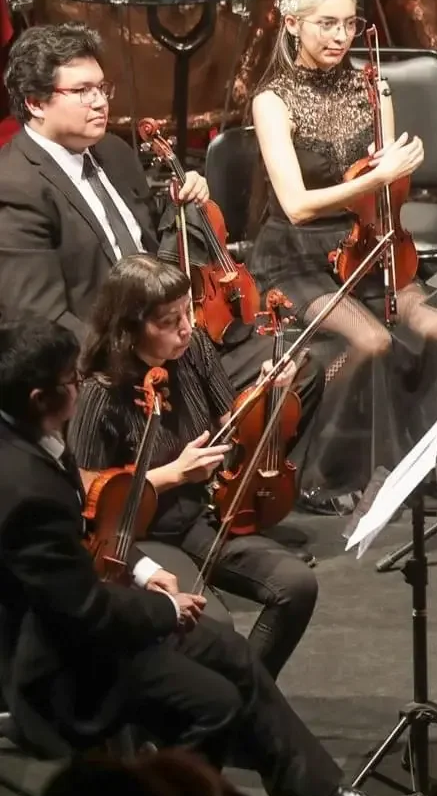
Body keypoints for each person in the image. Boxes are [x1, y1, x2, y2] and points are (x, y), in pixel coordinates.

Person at [0, 316, 415, 796]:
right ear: (41, 397)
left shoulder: (36, 438)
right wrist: (163, 608)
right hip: (63, 663)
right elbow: (80, 608)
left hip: (94, 619)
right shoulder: (25, 486)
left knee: (232, 651)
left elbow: (88, 538)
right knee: (214, 704)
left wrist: (142, 569)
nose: (78, 389)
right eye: (70, 382)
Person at [0, 24, 327, 422]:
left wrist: (183, 202)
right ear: (35, 103)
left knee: (299, 370)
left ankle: (245, 480)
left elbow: (152, 244)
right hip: (111, 362)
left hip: (175, 334)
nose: (100, 102)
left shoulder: (113, 151)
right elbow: (43, 319)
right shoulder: (15, 185)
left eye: (103, 88)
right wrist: (142, 353)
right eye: (83, 91)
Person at [245, 0, 437, 511]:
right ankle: (326, 475)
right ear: (293, 24)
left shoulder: (373, 86)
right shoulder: (273, 101)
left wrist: (392, 182)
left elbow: (386, 186)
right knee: (370, 342)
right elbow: (295, 206)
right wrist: (373, 179)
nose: (340, 37)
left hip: (365, 242)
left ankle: (428, 461)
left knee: (436, 325)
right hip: (296, 257)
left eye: (348, 24)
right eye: (325, 24)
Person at [68, 255, 319, 678]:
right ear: (129, 328)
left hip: (197, 520)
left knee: (297, 585)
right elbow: (93, 505)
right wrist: (173, 475)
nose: (186, 327)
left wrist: (267, 391)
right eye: (169, 321)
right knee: (216, 628)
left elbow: (232, 426)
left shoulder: (194, 348)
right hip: (138, 538)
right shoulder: (99, 393)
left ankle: (245, 703)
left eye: (188, 311)